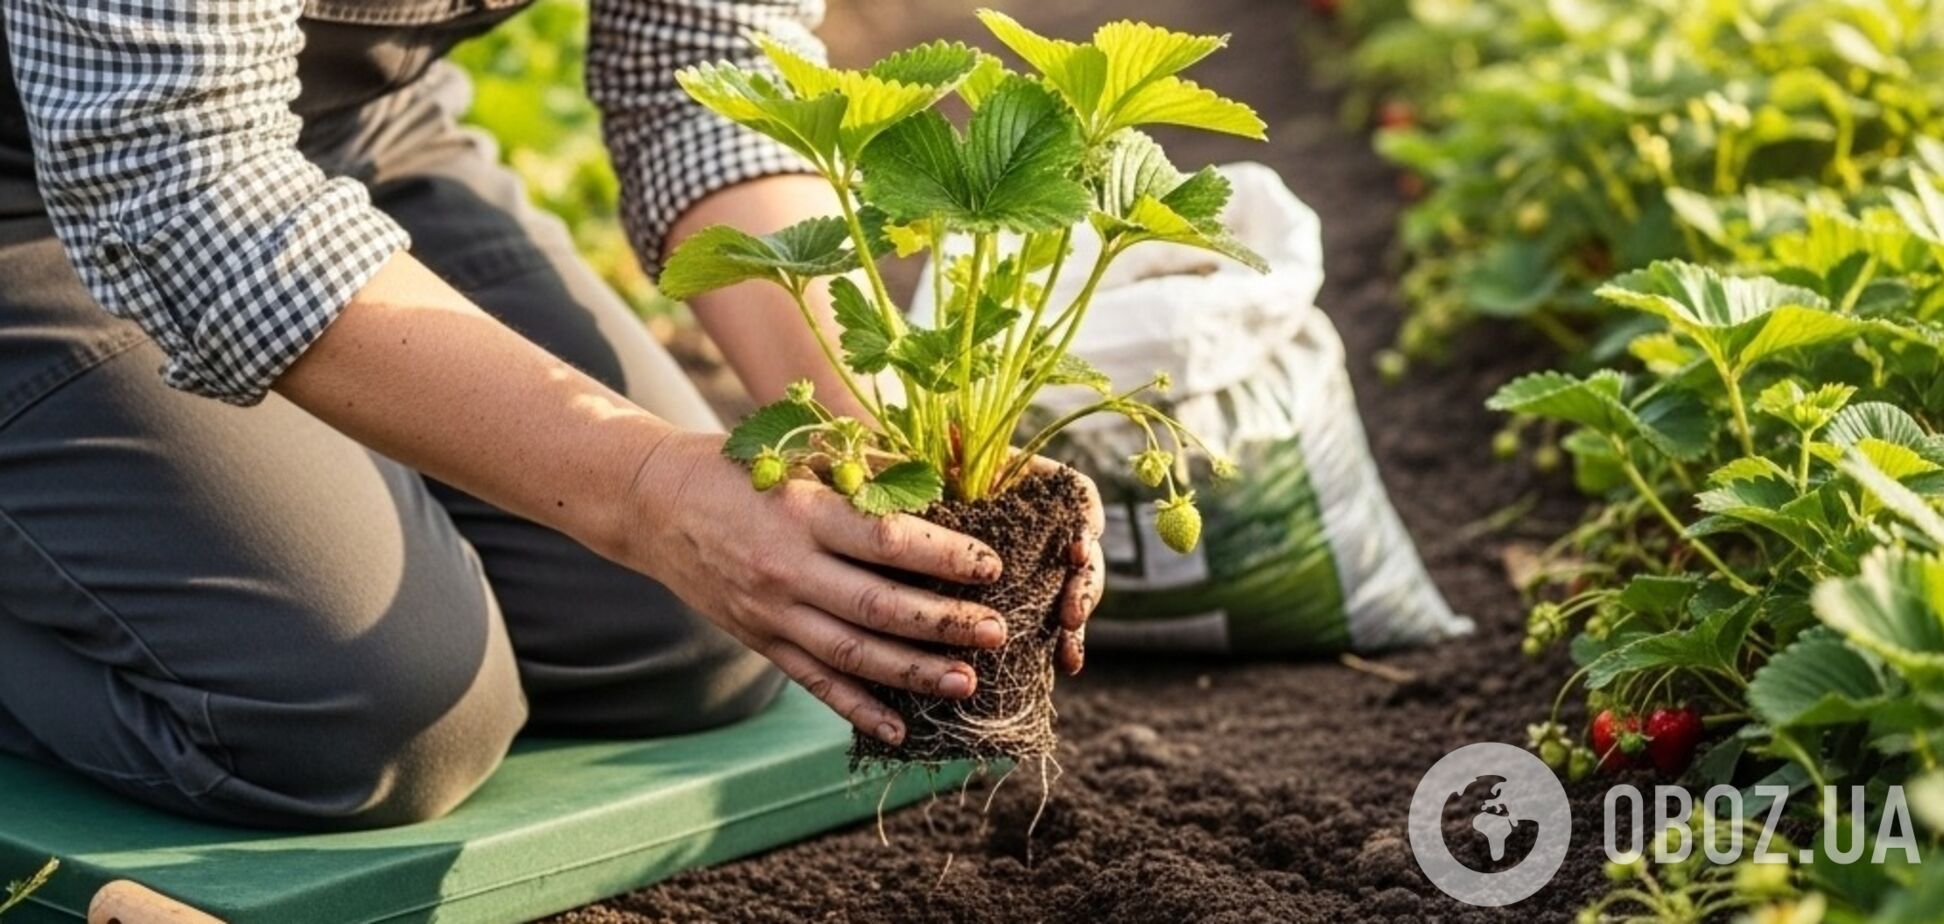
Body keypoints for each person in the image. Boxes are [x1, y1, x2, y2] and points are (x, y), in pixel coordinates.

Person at [0, 0, 1103, 831]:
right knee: (370, 715)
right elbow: (175, 173)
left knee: (688, 637)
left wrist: (890, 450)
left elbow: (703, 68)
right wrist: (646, 493)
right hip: (88, 177)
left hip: (338, 129)